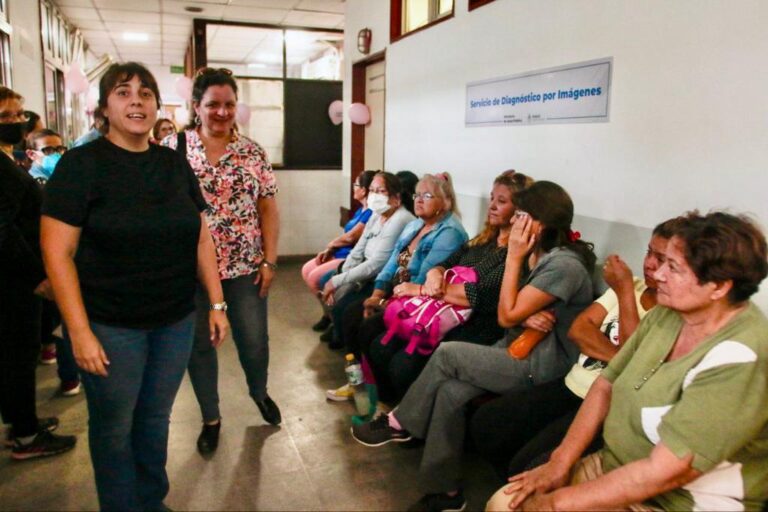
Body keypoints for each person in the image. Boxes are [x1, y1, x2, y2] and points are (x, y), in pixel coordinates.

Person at [487, 211, 768, 512]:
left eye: (673, 267)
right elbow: (605, 384)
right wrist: (559, 462)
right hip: (617, 464)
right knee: (506, 502)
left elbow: (666, 472)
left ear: (719, 286)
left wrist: (556, 502)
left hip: (678, 501)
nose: (658, 274)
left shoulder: (741, 355)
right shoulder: (667, 313)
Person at [41, 63, 228, 511]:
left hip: (175, 320)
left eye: (145, 93)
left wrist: (216, 303)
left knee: (154, 419)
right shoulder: (81, 165)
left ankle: (151, 500)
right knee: (113, 426)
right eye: (123, 93)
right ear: (104, 106)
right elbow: (57, 254)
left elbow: (201, 236)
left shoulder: (171, 163)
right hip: (110, 325)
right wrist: (79, 331)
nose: (136, 101)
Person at [352, 181, 596, 512]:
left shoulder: (563, 264)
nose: (515, 220)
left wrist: (514, 277)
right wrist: (522, 314)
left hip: (538, 364)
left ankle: (401, 422)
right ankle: (446, 491)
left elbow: (506, 312)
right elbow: (511, 310)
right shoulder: (536, 255)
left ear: (542, 222)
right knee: (451, 392)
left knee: (448, 354)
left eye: (522, 214)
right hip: (511, 347)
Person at [471, 220, 677, 480]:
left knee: (529, 463)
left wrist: (624, 294)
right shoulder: (635, 286)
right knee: (487, 421)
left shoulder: (656, 304)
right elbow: (579, 329)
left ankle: (518, 492)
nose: (649, 264)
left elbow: (634, 356)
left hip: (605, 402)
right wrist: (621, 359)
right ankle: (509, 489)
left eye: (661, 258)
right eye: (649, 252)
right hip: (572, 383)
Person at [162, 67, 282, 455]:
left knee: (254, 342)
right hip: (191, 271)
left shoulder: (252, 152)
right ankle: (211, 419)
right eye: (213, 104)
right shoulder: (171, 149)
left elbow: (268, 210)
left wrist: (270, 261)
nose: (221, 111)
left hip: (245, 267)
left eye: (229, 104)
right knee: (198, 348)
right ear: (196, 106)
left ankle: (259, 392)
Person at [326, 172, 468, 399]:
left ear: (445, 202)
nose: (419, 200)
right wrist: (377, 293)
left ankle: (382, 397)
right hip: (396, 293)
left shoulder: (449, 232)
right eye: (417, 195)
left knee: (365, 326)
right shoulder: (416, 225)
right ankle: (361, 383)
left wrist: (385, 302)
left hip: (418, 302)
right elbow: (392, 262)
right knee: (353, 314)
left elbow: (422, 280)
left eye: (427, 196)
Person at [0, 86, 76, 460]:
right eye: (6, 117)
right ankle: (27, 437)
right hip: (15, 280)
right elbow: (5, 232)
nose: (16, 122)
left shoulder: (9, 158)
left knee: (16, 354)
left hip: (20, 275)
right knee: (17, 355)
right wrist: (38, 275)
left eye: (18, 115)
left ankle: (21, 420)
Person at [320, 171, 415, 348]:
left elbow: (377, 264)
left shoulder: (400, 219)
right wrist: (342, 273)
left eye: (380, 191)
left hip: (381, 278)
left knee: (345, 307)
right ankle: (339, 332)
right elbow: (359, 249)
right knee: (328, 282)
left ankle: (348, 347)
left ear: (395, 198)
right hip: (365, 270)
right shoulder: (376, 214)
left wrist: (339, 280)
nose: (374, 196)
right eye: (372, 190)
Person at [25, 128, 80, 396]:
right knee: (63, 322)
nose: (56, 155)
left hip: (69, 262)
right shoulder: (33, 183)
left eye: (60, 149)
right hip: (44, 264)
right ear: (32, 153)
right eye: (48, 150)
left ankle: (70, 374)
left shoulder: (69, 180)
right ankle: (69, 375)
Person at [303, 169, 376, 333]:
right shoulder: (360, 210)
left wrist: (331, 245)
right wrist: (331, 248)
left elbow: (351, 237)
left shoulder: (371, 212)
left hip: (349, 255)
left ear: (364, 190)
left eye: (356, 184)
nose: (353, 188)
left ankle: (333, 319)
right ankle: (327, 314)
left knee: (315, 278)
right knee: (307, 269)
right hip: (339, 252)